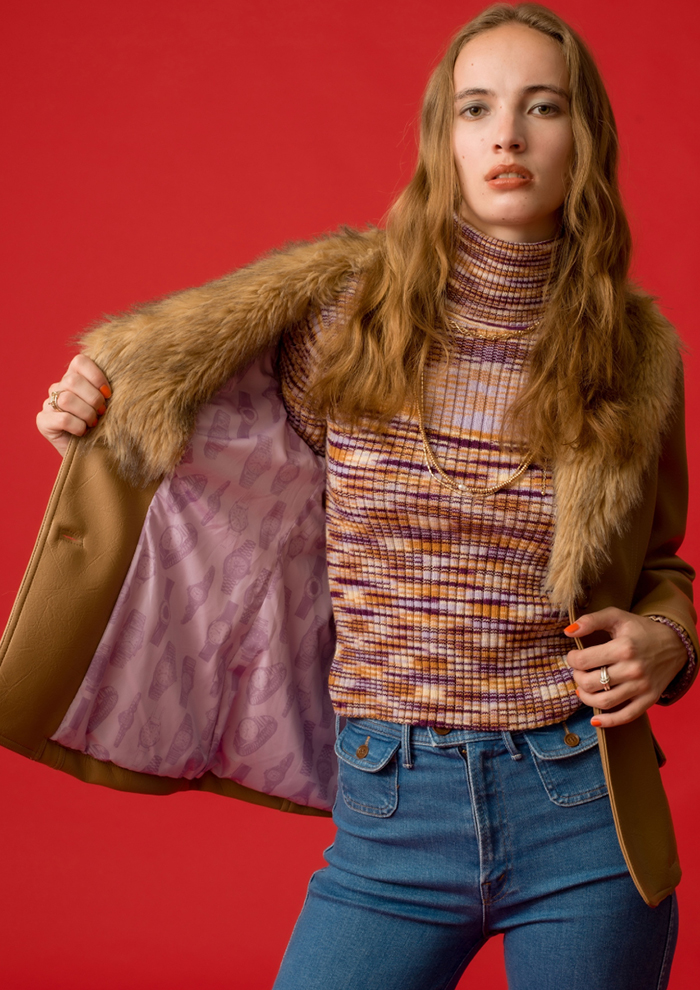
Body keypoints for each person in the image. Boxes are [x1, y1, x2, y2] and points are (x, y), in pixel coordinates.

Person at [15, 2, 697, 987]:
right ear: (442, 138)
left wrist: (669, 640)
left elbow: (661, 564)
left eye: (542, 106)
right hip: (391, 810)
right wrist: (98, 428)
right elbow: (218, 470)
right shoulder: (346, 319)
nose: (506, 134)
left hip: (581, 810)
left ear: (582, 137)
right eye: (475, 108)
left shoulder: (638, 357)